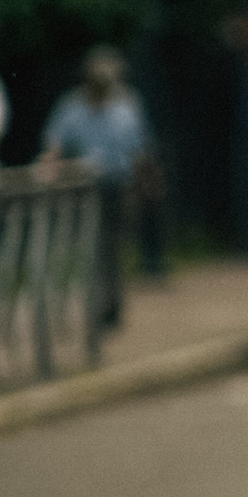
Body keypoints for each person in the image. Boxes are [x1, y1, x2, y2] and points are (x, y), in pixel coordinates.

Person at [40, 47, 156, 327]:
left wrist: (145, 186)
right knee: (92, 248)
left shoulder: (126, 107)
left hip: (118, 187)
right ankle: (97, 304)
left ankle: (112, 304)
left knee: (111, 247)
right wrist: (50, 167)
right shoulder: (73, 107)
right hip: (83, 188)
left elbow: (140, 151)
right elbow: (54, 144)